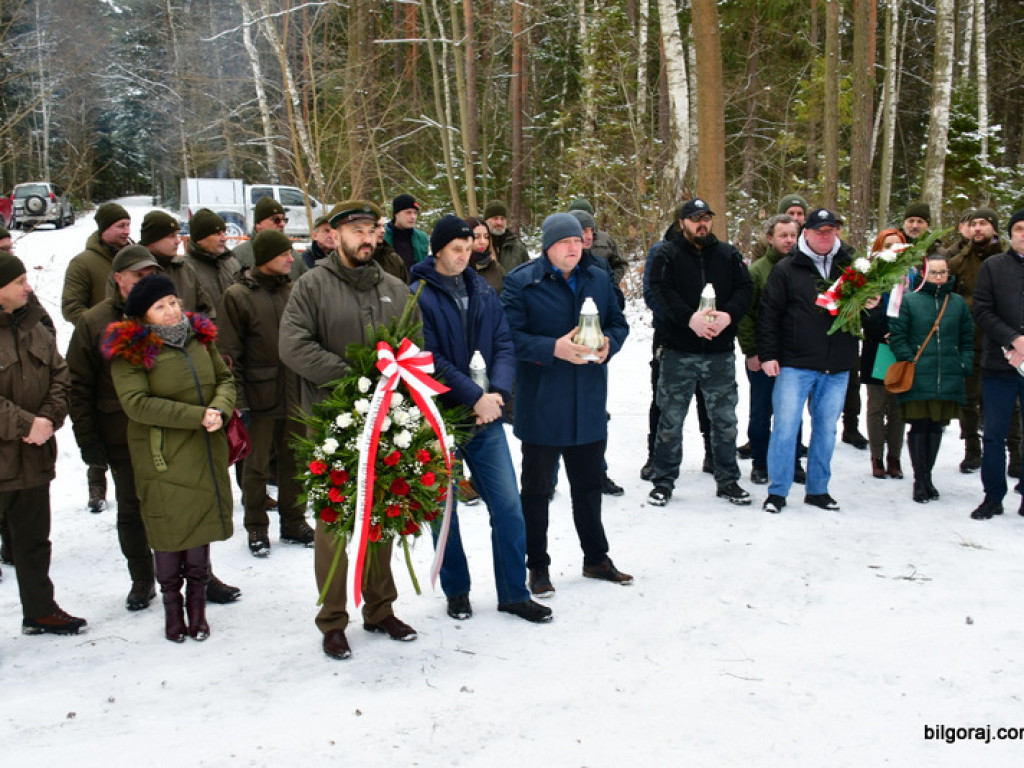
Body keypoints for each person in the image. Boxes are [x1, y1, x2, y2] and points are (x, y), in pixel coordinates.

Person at [279, 200, 418, 660]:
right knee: (336, 522)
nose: (365, 237)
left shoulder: (397, 289)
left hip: (387, 425)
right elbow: (293, 346)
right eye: (356, 229)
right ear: (334, 235)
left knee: (383, 513)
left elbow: (415, 348)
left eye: (371, 229)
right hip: (331, 424)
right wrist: (353, 379)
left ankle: (381, 609)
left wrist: (399, 393)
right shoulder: (311, 286)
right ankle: (333, 620)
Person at [410, 214, 552, 623]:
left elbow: (504, 343)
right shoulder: (417, 292)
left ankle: (512, 591)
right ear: (437, 250)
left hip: (487, 416)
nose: (464, 254)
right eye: (456, 248)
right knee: (444, 508)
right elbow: (426, 357)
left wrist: (498, 394)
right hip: (438, 419)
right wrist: (473, 395)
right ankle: (457, 589)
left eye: (469, 246)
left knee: (508, 504)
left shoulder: (483, 289)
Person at [501, 213, 631, 595]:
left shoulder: (599, 277)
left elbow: (619, 323)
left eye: (577, 240)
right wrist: (552, 348)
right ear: (547, 247)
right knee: (537, 491)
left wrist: (611, 343)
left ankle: (596, 559)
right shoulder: (522, 281)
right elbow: (507, 337)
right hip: (542, 402)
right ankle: (537, 566)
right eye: (564, 243)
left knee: (588, 486)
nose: (574, 247)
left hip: (588, 401)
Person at [104, 274, 236, 642]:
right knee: (169, 532)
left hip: (205, 448)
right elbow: (137, 404)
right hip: (163, 454)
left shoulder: (199, 338)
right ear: (142, 315)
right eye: (159, 306)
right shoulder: (131, 350)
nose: (171, 311)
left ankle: (197, 608)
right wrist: (196, 416)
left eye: (173, 302)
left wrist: (219, 409)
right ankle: (171, 608)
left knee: (200, 528)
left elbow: (225, 378)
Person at [67, 245, 160, 611]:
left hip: (171, 431)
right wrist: (89, 443)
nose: (145, 283)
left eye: (151, 275)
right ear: (117, 278)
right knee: (132, 508)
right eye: (138, 276)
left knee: (181, 505)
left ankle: (198, 573)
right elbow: (78, 386)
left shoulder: (165, 313)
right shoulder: (94, 322)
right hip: (121, 433)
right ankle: (142, 577)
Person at [0, 251, 87, 635]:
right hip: (9, 448)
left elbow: (60, 373)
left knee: (34, 541)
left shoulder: (35, 324)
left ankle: (39, 610)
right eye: (19, 282)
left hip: (33, 456)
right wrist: (25, 423)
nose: (28, 286)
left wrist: (48, 419)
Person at [759, 209, 868, 513]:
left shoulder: (851, 269)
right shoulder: (786, 268)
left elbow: (864, 309)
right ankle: (777, 491)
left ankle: (818, 489)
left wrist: (870, 301)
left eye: (830, 230)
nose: (825, 236)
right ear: (805, 232)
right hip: (795, 363)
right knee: (785, 428)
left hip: (837, 364)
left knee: (826, 429)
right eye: (819, 230)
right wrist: (768, 355)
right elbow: (769, 314)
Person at [646, 199, 753, 507]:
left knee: (724, 421)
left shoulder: (728, 254)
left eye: (706, 217)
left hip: (719, 352)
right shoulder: (667, 254)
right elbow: (660, 290)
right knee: (670, 419)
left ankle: (728, 480)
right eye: (695, 219)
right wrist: (688, 318)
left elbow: (745, 290)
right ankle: (663, 481)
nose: (701, 223)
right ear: (682, 222)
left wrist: (728, 316)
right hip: (679, 350)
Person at [219, 230, 314, 556]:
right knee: (256, 468)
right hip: (258, 398)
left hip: (295, 393)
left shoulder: (296, 289)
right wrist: (239, 401)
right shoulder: (237, 296)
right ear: (264, 258)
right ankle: (257, 528)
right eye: (284, 254)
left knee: (295, 463)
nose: (292, 258)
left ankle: (294, 522)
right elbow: (229, 354)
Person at [61, 202, 132, 513]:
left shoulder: (136, 258)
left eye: (128, 225)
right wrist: (97, 328)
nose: (126, 231)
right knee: (97, 412)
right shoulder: (83, 263)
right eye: (120, 226)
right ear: (103, 229)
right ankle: (96, 485)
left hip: (133, 349)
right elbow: (70, 306)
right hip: (97, 350)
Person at [888, 253, 974, 503]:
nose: (939, 277)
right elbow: (897, 335)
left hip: (947, 375)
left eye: (943, 272)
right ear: (924, 274)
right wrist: (910, 359)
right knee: (919, 426)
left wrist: (963, 363)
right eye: (934, 272)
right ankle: (920, 480)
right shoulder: (910, 301)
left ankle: (927, 477)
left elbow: (967, 338)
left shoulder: (956, 302)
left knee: (936, 426)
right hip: (918, 375)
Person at [947, 207, 1015, 475]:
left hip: (1004, 342)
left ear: (995, 229)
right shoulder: (959, 261)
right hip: (969, 341)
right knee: (968, 400)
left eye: (984, 224)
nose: (977, 229)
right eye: (973, 224)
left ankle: (1016, 454)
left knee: (1011, 403)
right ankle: (972, 450)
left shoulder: (1007, 260)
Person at [736, 213, 802, 486]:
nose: (789, 240)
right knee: (761, 412)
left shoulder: (803, 267)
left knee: (793, 412)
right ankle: (760, 462)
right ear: (770, 238)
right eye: (783, 235)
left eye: (793, 235)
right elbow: (746, 315)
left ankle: (792, 461)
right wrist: (752, 351)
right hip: (763, 354)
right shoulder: (757, 271)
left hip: (796, 355)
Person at [968, 208, 1024, 519]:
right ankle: (993, 496)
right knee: (993, 434)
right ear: (1009, 233)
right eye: (1018, 229)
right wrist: (1014, 341)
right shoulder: (994, 266)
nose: (1023, 234)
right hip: (999, 364)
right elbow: (983, 310)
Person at [861, 229, 908, 480]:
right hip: (876, 346)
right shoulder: (869, 276)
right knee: (877, 406)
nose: (893, 250)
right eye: (887, 245)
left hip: (903, 348)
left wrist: (901, 336)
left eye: (897, 245)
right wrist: (885, 333)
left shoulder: (911, 275)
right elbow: (864, 312)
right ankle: (877, 456)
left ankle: (895, 457)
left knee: (898, 407)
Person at [184, 209, 241, 324]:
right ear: (200, 239)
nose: (224, 238)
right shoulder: (185, 269)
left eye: (224, 232)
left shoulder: (232, 262)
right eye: (217, 233)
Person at [232, 196, 306, 282]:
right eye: (276, 220)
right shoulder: (239, 255)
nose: (282, 224)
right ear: (258, 224)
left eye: (284, 220)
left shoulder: (294, 257)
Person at [568, 198, 628, 285]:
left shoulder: (605, 239)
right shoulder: (561, 241)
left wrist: (610, 284)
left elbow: (620, 263)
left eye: (586, 215)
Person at [383, 193, 429, 271]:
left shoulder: (422, 238)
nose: (413, 217)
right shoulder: (382, 236)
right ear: (396, 214)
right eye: (408, 212)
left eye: (415, 213)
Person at [483, 201, 530, 272]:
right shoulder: (479, 245)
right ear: (486, 220)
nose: (499, 222)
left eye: (502, 218)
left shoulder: (517, 247)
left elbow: (528, 274)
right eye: (495, 218)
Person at [465, 216, 506, 294]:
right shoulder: (456, 268)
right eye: (476, 237)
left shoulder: (496, 268)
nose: (483, 242)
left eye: (486, 237)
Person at [373, 212, 410, 282]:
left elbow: (405, 289)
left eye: (383, 226)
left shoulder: (394, 259)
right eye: (377, 226)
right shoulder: (354, 258)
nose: (383, 230)